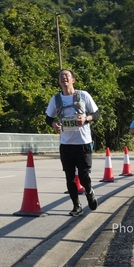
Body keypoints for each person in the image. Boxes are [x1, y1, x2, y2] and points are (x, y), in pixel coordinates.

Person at [45, 69, 100, 217]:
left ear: (73, 80)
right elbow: (48, 118)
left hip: (83, 142)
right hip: (66, 144)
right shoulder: (56, 99)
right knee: (69, 177)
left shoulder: (83, 95)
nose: (64, 78)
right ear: (59, 81)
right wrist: (54, 124)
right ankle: (76, 206)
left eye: (67, 76)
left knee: (83, 175)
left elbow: (96, 113)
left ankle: (89, 192)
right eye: (61, 76)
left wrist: (86, 119)